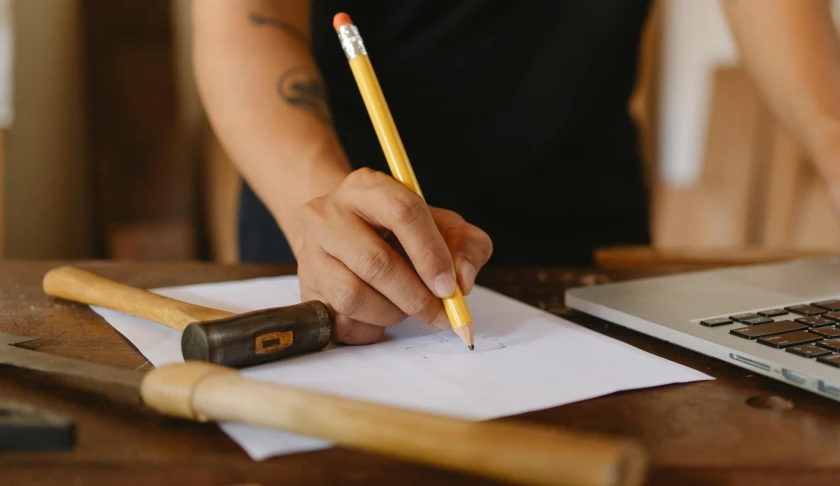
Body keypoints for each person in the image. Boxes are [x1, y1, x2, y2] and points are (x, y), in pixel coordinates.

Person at [192, 0, 840, 345]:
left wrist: (832, 139)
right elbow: (244, 21)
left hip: (586, 243)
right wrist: (320, 201)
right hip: (342, 241)